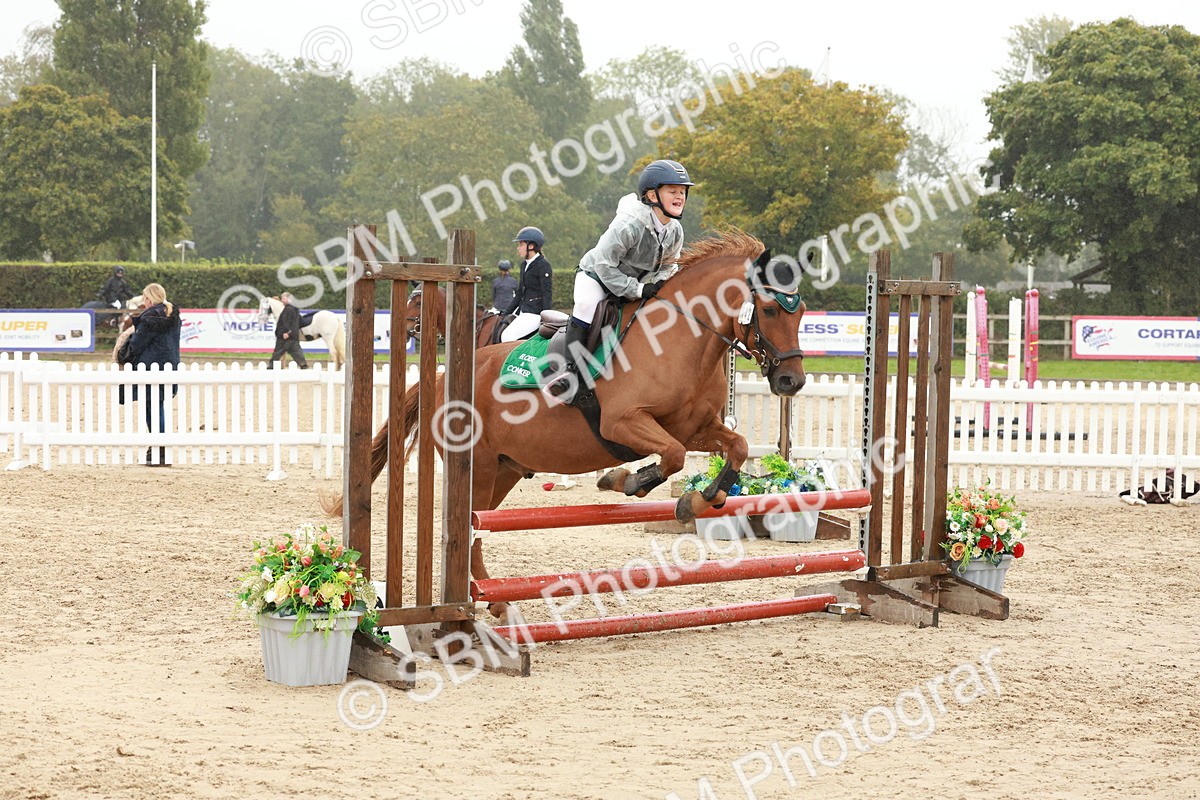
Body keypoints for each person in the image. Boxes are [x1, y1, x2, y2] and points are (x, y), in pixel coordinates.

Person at [544, 159, 693, 399]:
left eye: (683, 192)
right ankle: (569, 373)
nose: (680, 197)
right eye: (672, 191)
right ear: (652, 195)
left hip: (635, 286)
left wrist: (657, 285)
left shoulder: (675, 230)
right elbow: (604, 264)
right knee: (586, 306)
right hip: (597, 277)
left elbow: (669, 264)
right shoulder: (629, 225)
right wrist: (638, 289)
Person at [123, 282, 182, 466]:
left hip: (150, 366)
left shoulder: (149, 318)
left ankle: (159, 447)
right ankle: (158, 446)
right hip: (169, 364)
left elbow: (137, 344)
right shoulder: (173, 315)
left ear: (149, 298)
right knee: (158, 406)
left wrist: (127, 343)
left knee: (152, 407)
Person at [498, 227, 552, 343]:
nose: (518, 248)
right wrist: (507, 313)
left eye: (521, 245)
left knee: (507, 337)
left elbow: (547, 293)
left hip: (534, 314)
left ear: (531, 246)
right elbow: (520, 293)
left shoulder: (543, 265)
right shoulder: (524, 265)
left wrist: (546, 318)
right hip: (522, 311)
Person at [267, 291, 309, 369]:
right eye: (282, 298)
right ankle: (303, 365)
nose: (282, 300)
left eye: (284, 298)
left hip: (285, 336)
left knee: (278, 351)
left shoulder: (288, 309)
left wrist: (286, 332)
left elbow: (287, 322)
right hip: (293, 335)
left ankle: (271, 366)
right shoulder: (294, 308)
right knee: (296, 351)